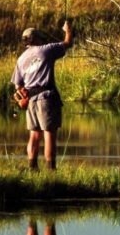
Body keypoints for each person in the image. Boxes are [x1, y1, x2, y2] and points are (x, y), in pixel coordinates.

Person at [11, 21, 73, 170]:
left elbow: (18, 85)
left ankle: (33, 169)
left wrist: (22, 99)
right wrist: (68, 30)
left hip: (30, 100)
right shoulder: (46, 50)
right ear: (36, 39)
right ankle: (51, 170)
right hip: (46, 97)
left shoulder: (21, 59)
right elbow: (67, 43)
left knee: (34, 136)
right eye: (40, 37)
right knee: (49, 135)